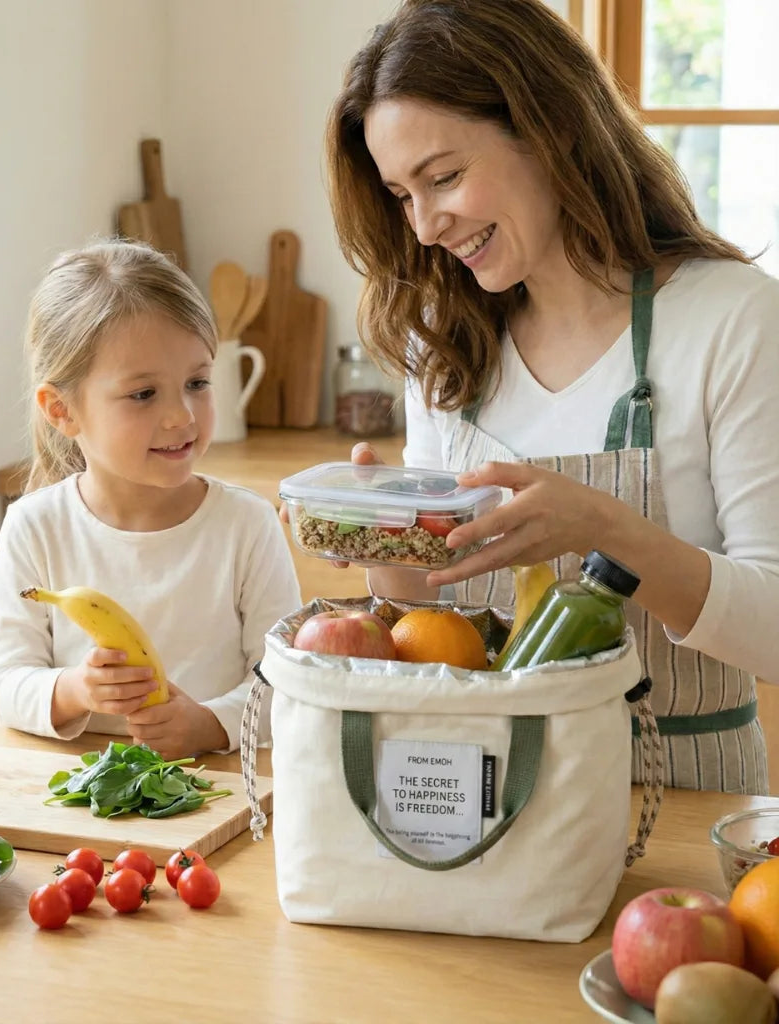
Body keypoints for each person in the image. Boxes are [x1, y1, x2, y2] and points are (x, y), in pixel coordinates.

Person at [324, 0, 779, 793]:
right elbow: (440, 628)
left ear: (550, 128)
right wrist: (386, 550)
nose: (426, 226)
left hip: (676, 794)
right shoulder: (445, 338)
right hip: (489, 796)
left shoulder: (732, 318)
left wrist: (608, 530)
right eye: (402, 195)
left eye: (445, 177)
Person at [0, 239, 302, 760]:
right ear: (62, 410)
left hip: (215, 792)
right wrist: (73, 691)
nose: (183, 415)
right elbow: (4, 682)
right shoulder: (33, 527)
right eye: (144, 394)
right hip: (82, 797)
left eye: (197, 382)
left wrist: (209, 725)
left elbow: (285, 683)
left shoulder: (245, 525)